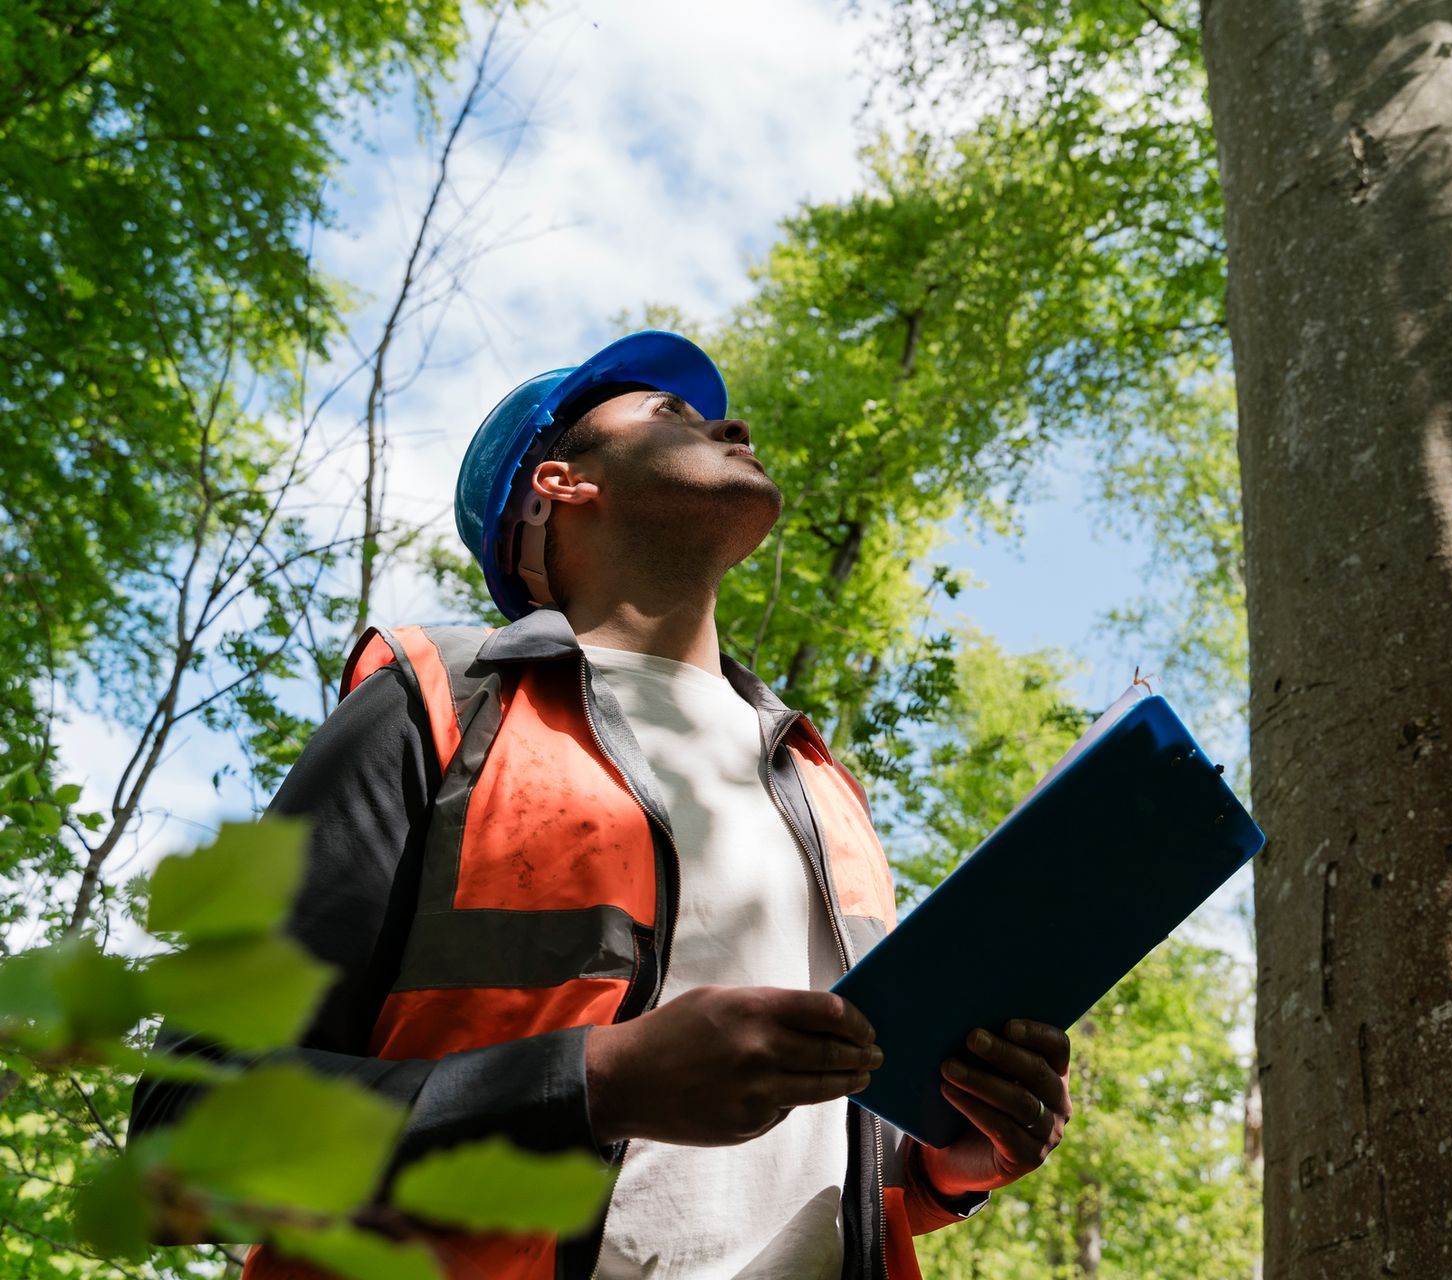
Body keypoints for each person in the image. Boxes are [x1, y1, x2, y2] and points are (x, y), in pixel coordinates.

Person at [129, 330, 1073, 1280]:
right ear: (562, 483)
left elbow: (824, 1171)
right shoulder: (437, 705)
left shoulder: (821, 787)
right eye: (672, 414)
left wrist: (951, 1164)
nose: (733, 423)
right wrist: (594, 1084)